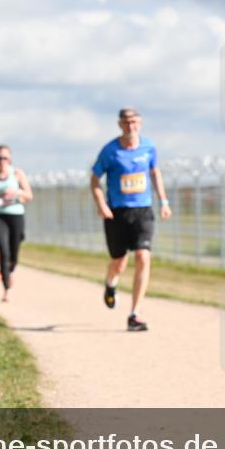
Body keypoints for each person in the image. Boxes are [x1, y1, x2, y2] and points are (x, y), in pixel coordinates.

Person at [90, 107, 171, 331]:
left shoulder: (148, 147)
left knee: (143, 257)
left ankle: (134, 314)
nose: (130, 125)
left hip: (143, 210)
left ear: (140, 123)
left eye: (134, 121)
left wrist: (163, 201)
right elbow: (95, 180)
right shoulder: (110, 151)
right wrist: (101, 205)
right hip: (116, 213)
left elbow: (155, 172)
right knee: (119, 262)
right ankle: (110, 284)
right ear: (119, 124)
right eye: (126, 122)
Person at [0, 145, 33, 302]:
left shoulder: (17, 174)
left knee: (14, 253)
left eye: (6, 158)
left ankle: (10, 271)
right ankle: (6, 289)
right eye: (0, 158)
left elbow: (29, 195)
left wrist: (17, 193)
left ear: (10, 159)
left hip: (16, 215)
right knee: (3, 249)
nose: (3, 161)